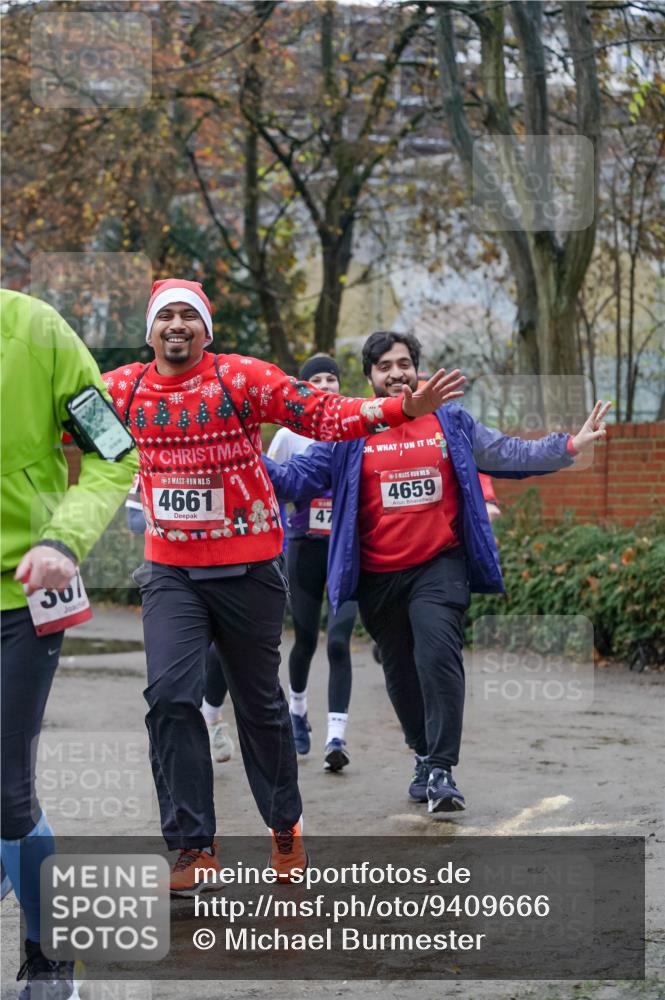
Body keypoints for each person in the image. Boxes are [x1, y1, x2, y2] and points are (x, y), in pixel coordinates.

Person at [101, 279, 465, 892]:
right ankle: (192, 846)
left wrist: (401, 408)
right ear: (151, 330)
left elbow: (324, 413)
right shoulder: (124, 388)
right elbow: (56, 431)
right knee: (169, 697)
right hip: (170, 569)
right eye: (167, 316)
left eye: (190, 315)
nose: (178, 325)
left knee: (259, 705)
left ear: (206, 329)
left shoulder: (240, 377)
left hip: (248, 568)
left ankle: (284, 823)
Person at [264, 330, 611, 816]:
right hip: (379, 575)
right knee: (402, 674)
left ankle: (443, 770)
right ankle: (424, 755)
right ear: (369, 378)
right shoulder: (349, 431)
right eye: (384, 366)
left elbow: (507, 453)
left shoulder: (448, 421)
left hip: (438, 566)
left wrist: (569, 445)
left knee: (437, 654)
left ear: (416, 368)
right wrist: (240, 457)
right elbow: (296, 479)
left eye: (403, 363)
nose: (396, 373)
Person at [1, 289, 137, 998]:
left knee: (7, 794)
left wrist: (63, 536)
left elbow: (115, 453)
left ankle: (51, 956)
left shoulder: (37, 331)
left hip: (26, 591)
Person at [268, 354, 358, 772]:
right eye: (316, 379)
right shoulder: (288, 436)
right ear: (302, 388)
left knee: (338, 641)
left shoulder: (356, 429)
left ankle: (336, 737)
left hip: (346, 549)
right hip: (304, 548)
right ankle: (298, 710)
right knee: (304, 640)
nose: (326, 384)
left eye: (332, 378)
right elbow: (270, 487)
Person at [126, 478, 234, 763]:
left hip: (226, 572)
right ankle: (188, 748)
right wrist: (179, 515)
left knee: (221, 653)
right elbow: (134, 519)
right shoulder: (155, 453)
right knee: (172, 685)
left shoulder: (216, 454)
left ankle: (211, 717)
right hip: (174, 580)